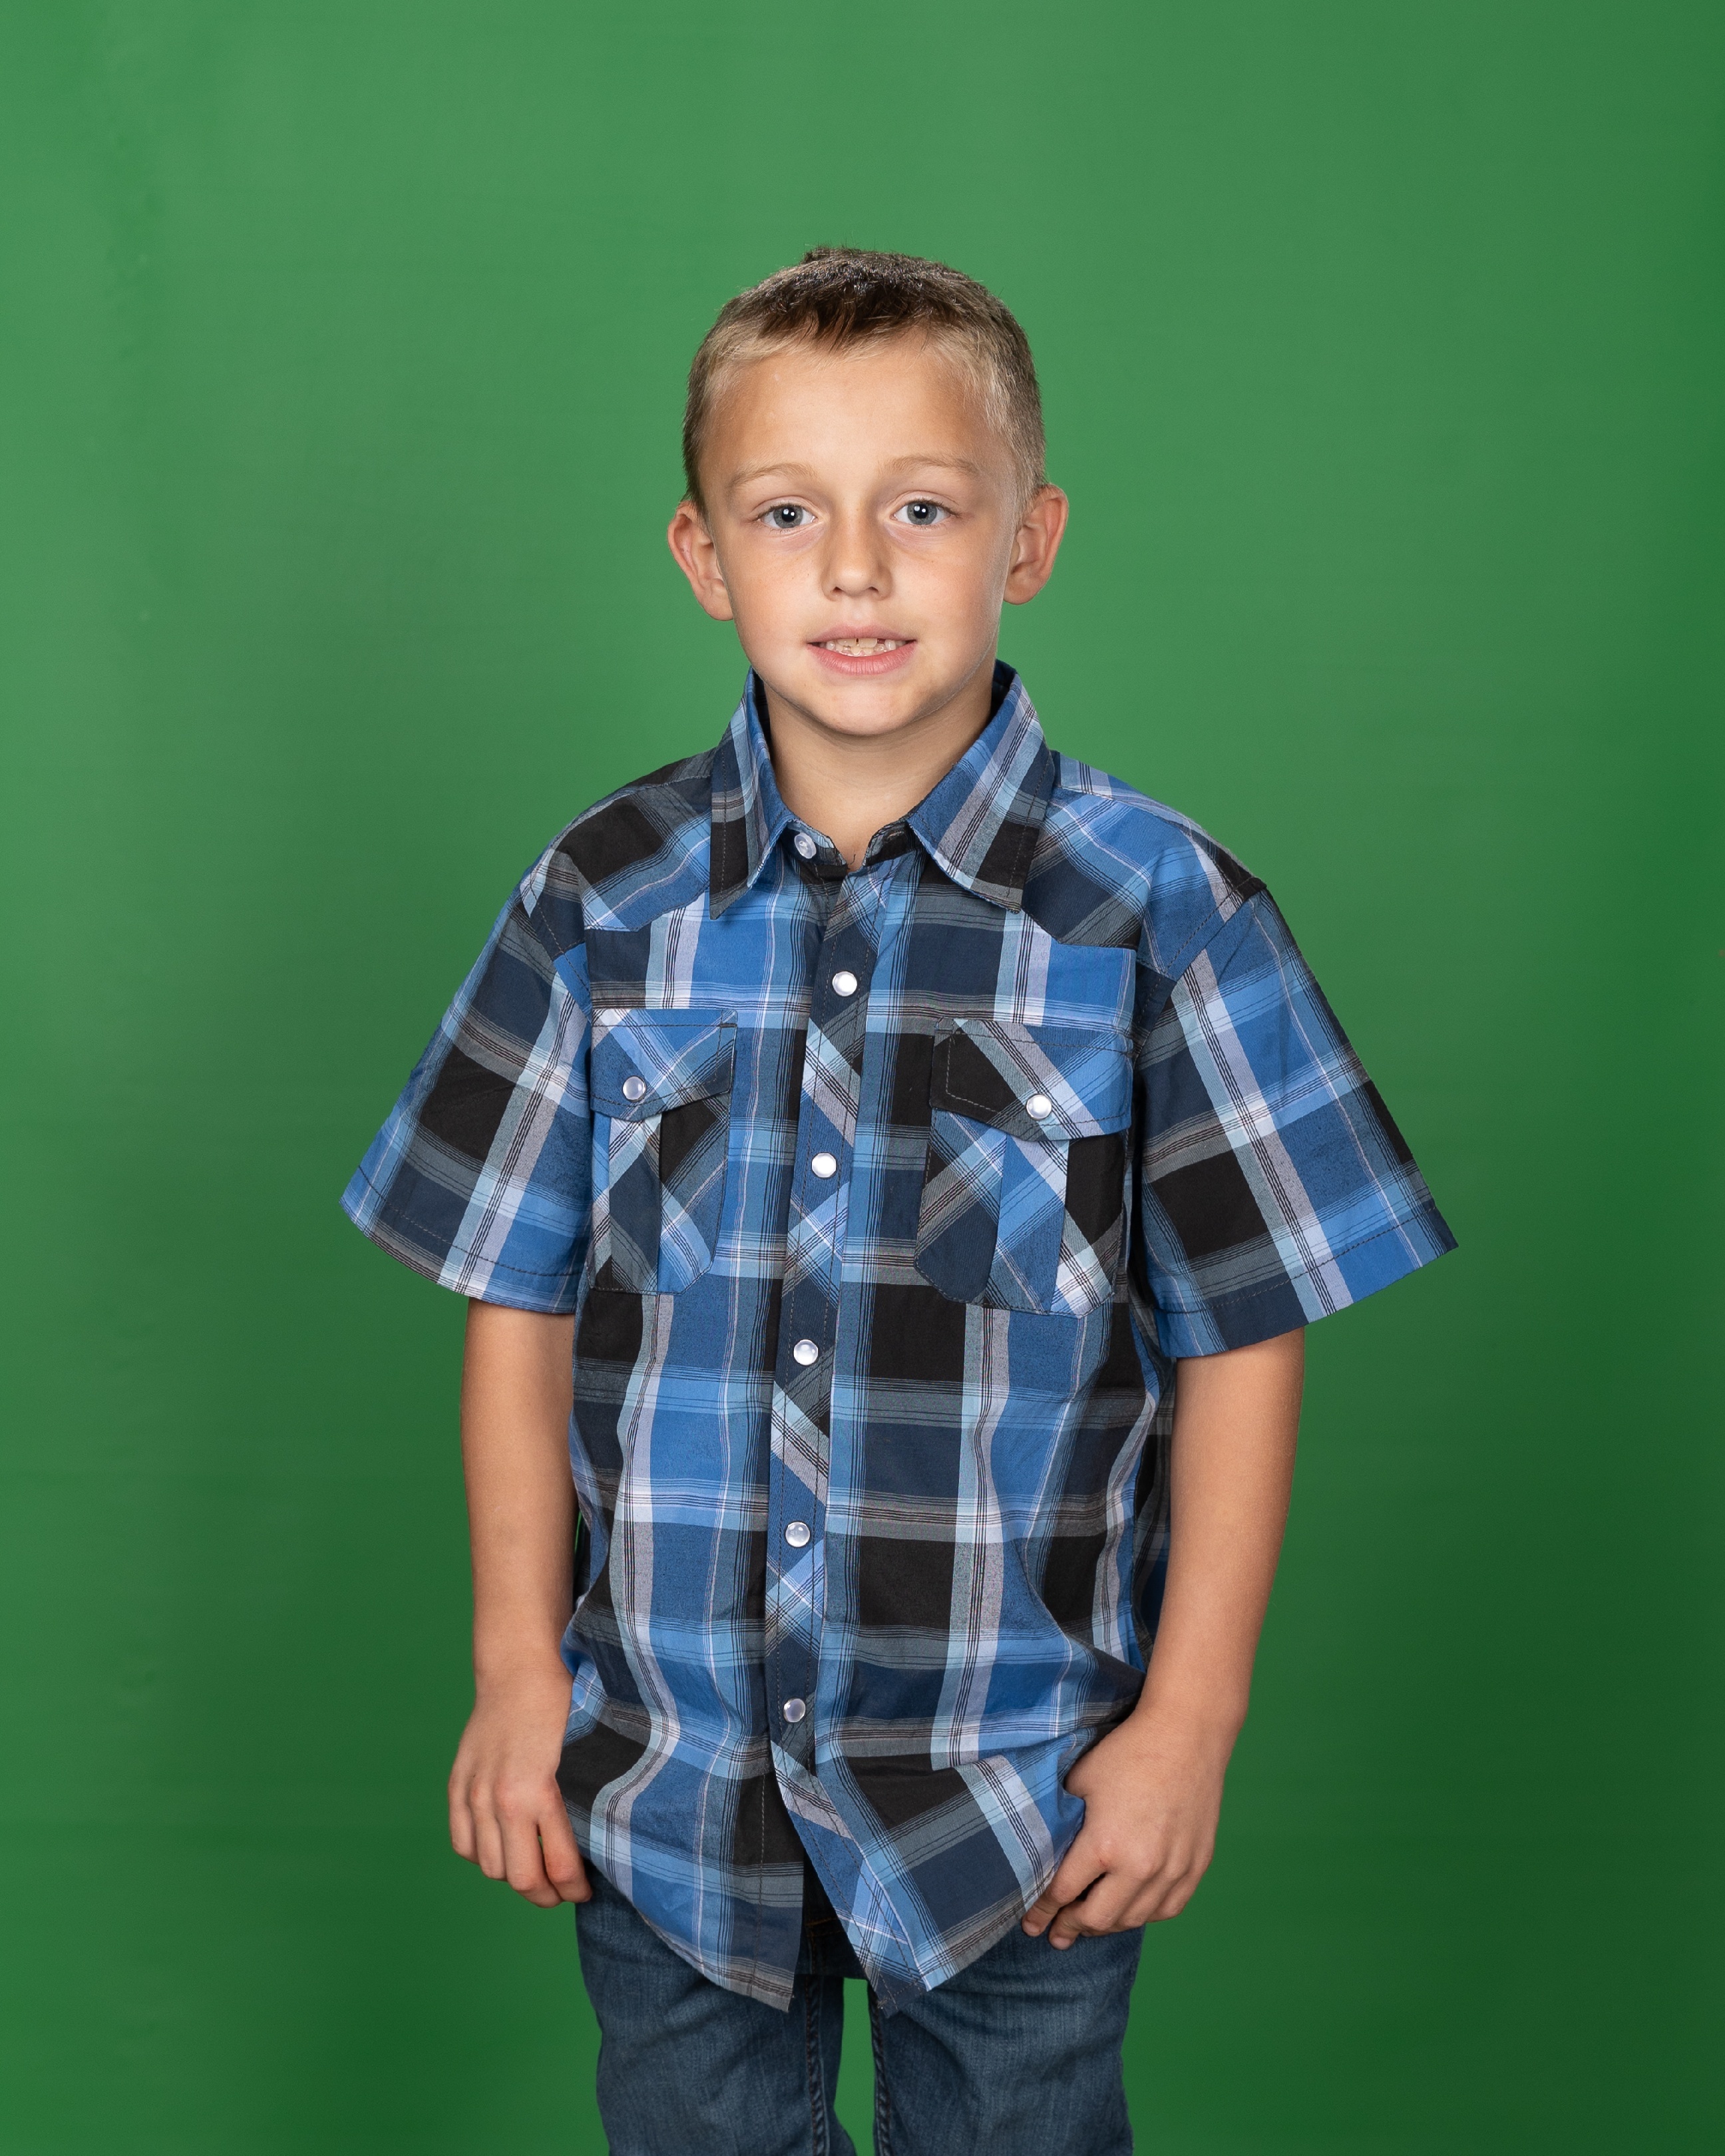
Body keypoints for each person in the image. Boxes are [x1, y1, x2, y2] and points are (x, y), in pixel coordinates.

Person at [341, 248, 1453, 2154]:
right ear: (706, 556)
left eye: (923, 509)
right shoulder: (600, 901)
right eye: (790, 514)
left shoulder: (1160, 913)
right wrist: (517, 1674)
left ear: (1029, 538)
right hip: (670, 1791)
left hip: (1020, 1795)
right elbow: (515, 1300)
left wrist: (1188, 1729)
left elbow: (1244, 1338)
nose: (855, 570)